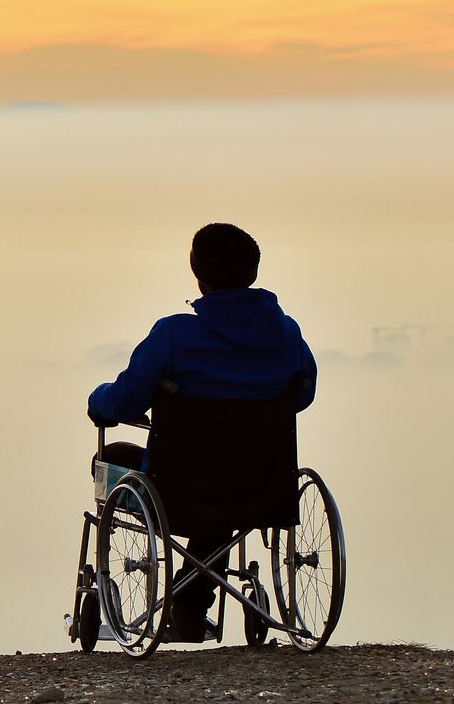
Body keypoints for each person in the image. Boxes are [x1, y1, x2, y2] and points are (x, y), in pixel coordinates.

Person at [87, 222, 317, 637]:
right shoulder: (287, 334)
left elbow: (125, 401)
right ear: (253, 271)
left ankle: (182, 603)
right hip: (263, 488)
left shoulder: (175, 335)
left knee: (110, 457)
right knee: (226, 489)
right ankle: (190, 603)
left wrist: (97, 400)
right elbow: (302, 396)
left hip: (181, 488)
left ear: (198, 271)